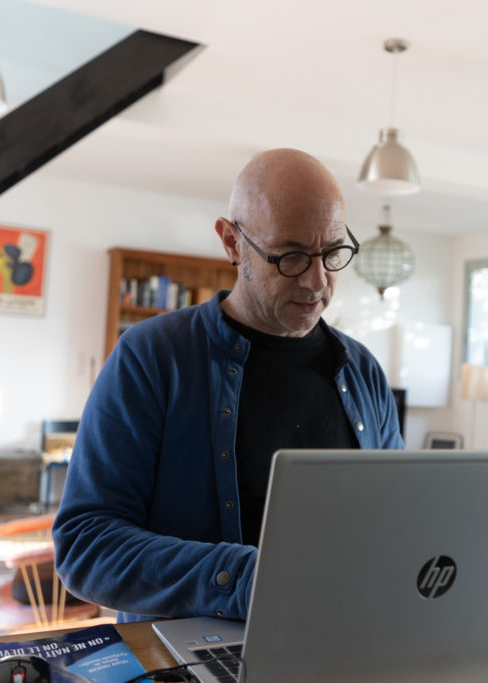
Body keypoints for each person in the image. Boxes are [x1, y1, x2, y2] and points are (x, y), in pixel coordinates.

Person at [53, 148, 405, 623]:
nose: (317, 280)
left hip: (343, 638)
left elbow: (398, 522)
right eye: (292, 256)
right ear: (232, 242)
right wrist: (246, 580)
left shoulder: (361, 370)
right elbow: (86, 546)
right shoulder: (151, 357)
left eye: (332, 252)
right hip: (189, 658)